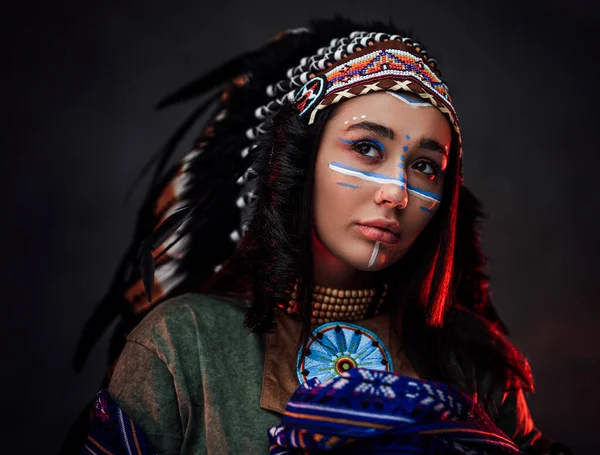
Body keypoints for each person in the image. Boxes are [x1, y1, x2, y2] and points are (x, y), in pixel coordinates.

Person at [73, 18, 570, 455]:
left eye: (424, 166)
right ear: (297, 163)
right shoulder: (183, 343)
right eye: (367, 149)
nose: (396, 193)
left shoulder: (478, 368)